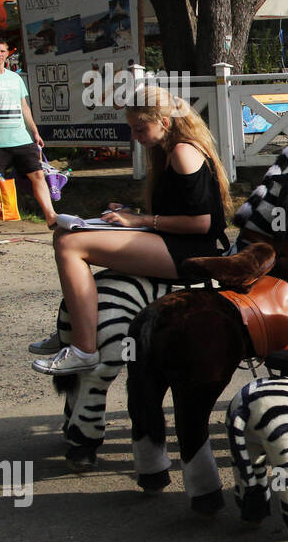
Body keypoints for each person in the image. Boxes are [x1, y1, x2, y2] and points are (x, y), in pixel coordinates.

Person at [31, 87, 233, 374]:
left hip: (191, 252)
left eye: (140, 129)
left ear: (163, 122)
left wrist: (139, 221)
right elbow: (175, 209)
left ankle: (84, 349)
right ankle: (76, 326)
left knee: (69, 245)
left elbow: (201, 223)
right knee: (64, 235)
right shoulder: (166, 151)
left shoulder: (183, 152)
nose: (135, 137)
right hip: (171, 242)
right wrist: (129, 213)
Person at [0, 36, 59, 232]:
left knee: (37, 174)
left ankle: (51, 216)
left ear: (8, 52)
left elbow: (25, 107)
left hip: (21, 138)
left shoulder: (15, 78)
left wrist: (34, 132)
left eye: (2, 51)